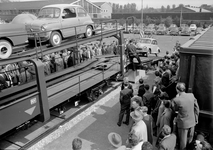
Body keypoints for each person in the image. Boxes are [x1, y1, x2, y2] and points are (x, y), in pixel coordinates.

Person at [173, 82, 200, 150]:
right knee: (190, 141)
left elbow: (175, 109)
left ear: (177, 90)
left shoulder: (176, 100)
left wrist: (176, 98)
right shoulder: (191, 95)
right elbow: (196, 107)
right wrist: (196, 118)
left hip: (183, 124)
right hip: (192, 121)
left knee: (183, 143)